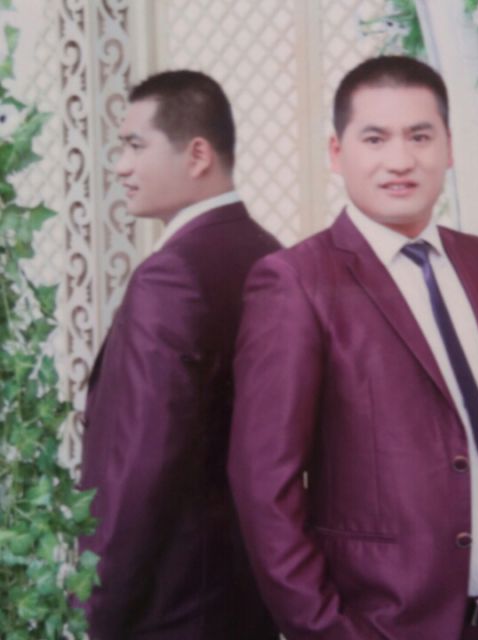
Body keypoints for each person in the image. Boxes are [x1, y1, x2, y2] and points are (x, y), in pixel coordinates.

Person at [228, 56, 478, 640]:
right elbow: (264, 486)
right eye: (375, 138)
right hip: (388, 626)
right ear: (337, 153)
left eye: (420, 136)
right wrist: (326, 631)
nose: (400, 160)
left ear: (448, 148)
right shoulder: (296, 283)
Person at [77, 70, 280, 639]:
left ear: (197, 155)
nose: (121, 167)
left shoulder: (171, 276)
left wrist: (94, 607)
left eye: (135, 146)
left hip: (168, 608)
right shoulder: (269, 254)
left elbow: (142, 463)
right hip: (244, 599)